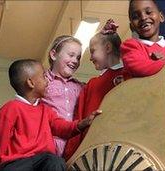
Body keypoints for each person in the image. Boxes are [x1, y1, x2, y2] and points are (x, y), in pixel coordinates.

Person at [0, 59, 101, 171]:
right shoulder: (9, 109)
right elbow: (0, 143)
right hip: (17, 164)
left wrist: (83, 123)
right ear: (31, 83)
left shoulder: (46, 110)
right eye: (44, 76)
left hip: (44, 161)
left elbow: (62, 127)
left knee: (56, 162)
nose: (47, 81)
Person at [63, 19, 131, 160]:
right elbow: (80, 120)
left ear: (107, 48)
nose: (90, 58)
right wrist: (70, 156)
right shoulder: (91, 85)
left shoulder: (131, 75)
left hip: (127, 149)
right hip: (94, 152)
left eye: (92, 51)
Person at [42, 35, 84, 157]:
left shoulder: (80, 87)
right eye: (71, 55)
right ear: (53, 55)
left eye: (78, 57)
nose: (75, 60)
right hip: (49, 148)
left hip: (75, 149)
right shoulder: (42, 82)